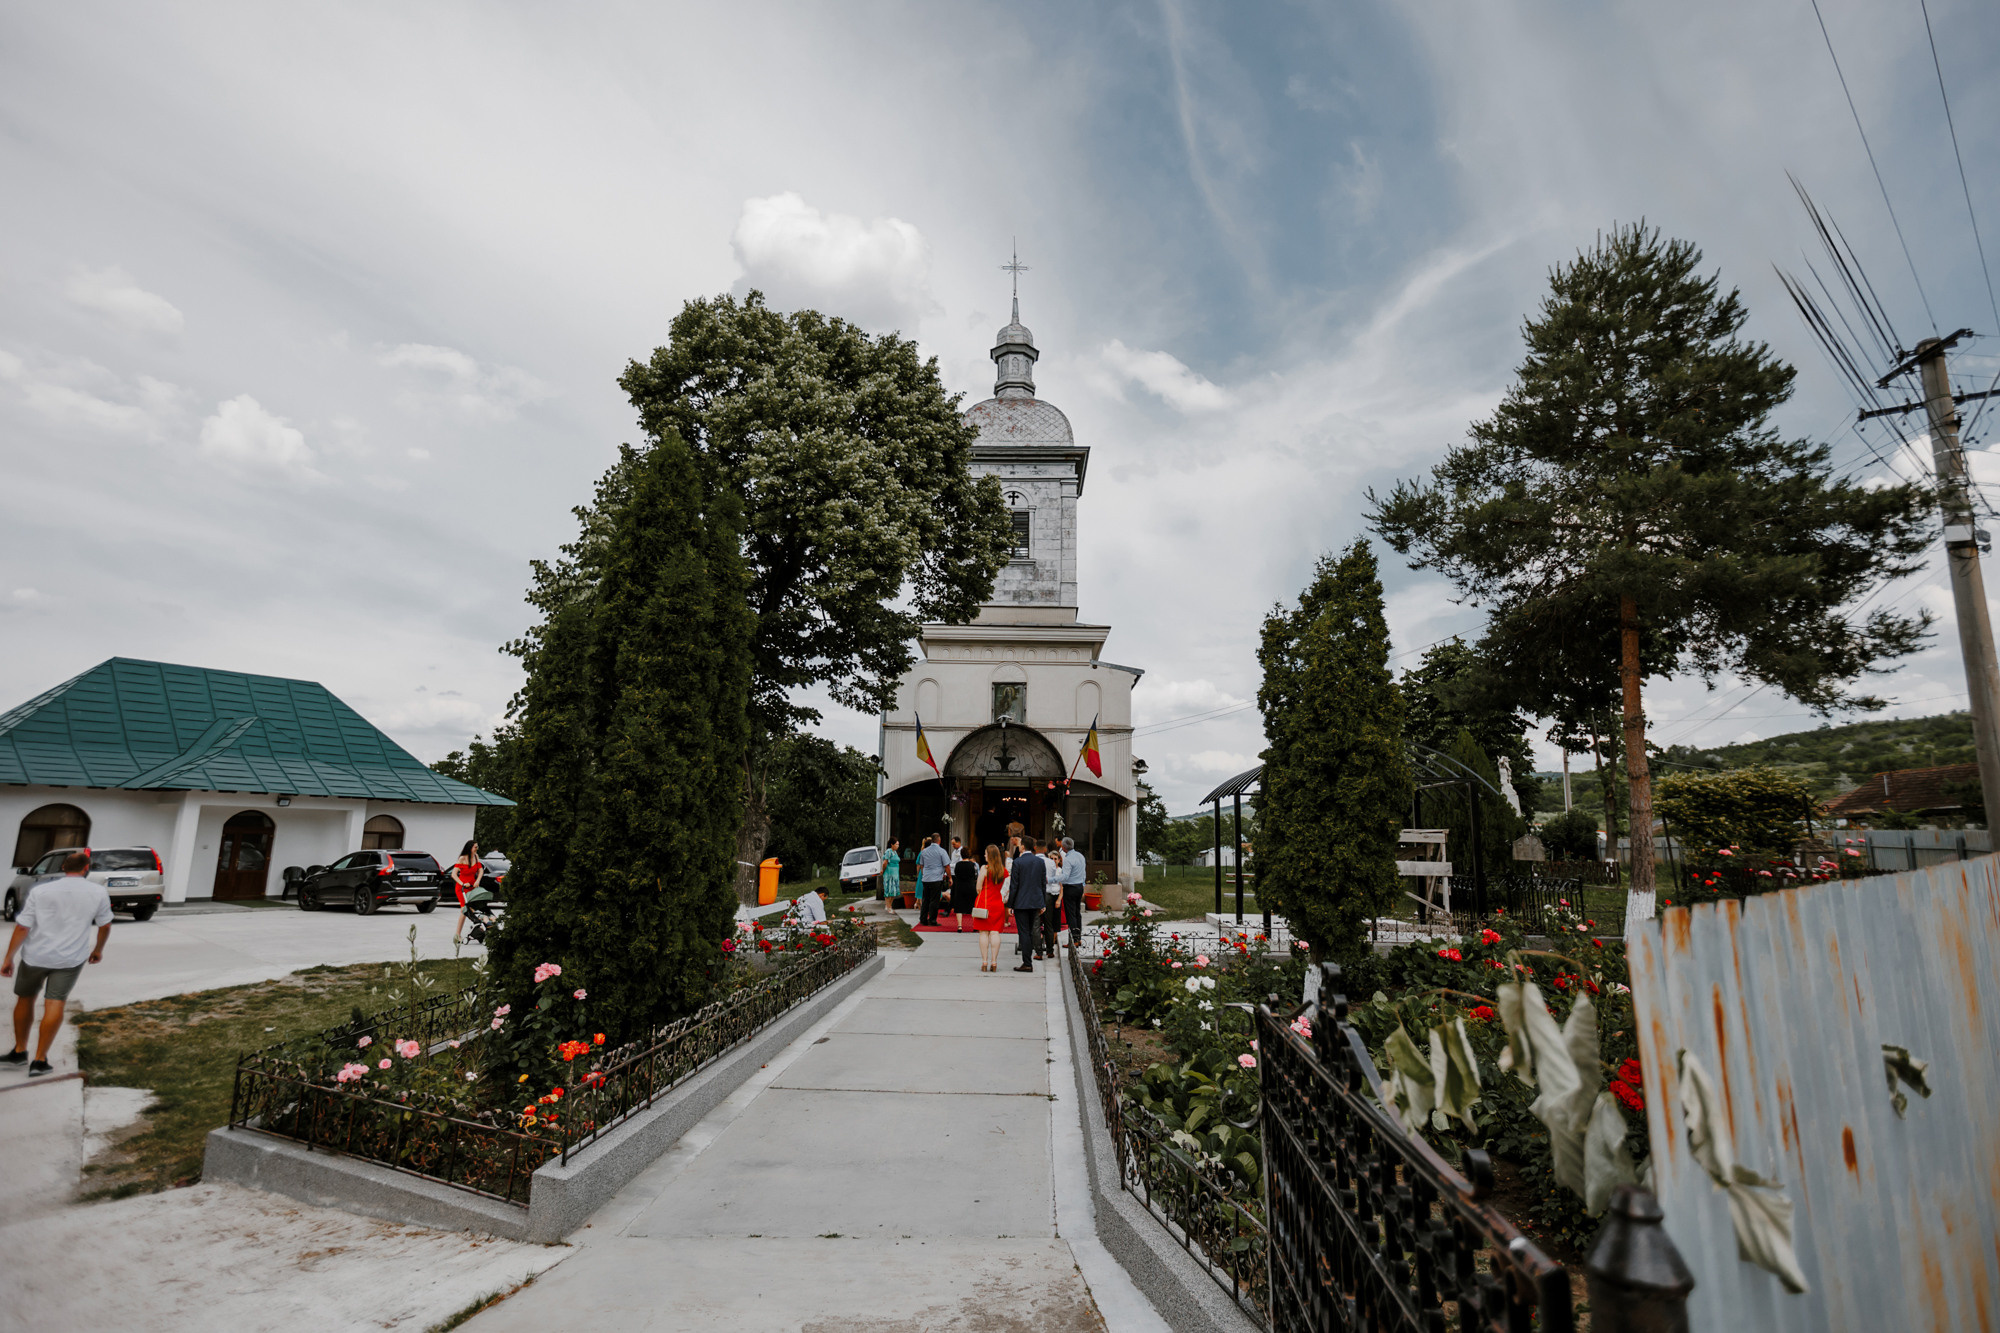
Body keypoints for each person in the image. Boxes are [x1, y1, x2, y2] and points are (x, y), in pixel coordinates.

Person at [2, 851, 112, 1076]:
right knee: (55, 1004)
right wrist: (98, 950)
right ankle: (40, 1061)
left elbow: (23, 927)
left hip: (35, 956)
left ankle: (19, 1052)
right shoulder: (98, 892)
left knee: (25, 999)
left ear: (63, 867)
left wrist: (8, 957)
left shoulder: (41, 891)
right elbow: (105, 925)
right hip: (69, 959)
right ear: (86, 868)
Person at [1008, 838, 1049, 973]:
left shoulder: (1018, 862)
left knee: (1024, 932)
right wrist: (1042, 902)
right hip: (1036, 900)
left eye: (1020, 845)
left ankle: (1027, 962)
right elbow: (1043, 883)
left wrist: (1010, 904)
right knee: (1031, 931)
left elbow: (1014, 885)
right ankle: (1028, 961)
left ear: (1023, 847)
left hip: (1021, 902)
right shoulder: (1040, 862)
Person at [973, 845, 1009, 971]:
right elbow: (1006, 886)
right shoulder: (1002, 870)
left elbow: (978, 887)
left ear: (990, 855)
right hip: (997, 903)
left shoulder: (984, 868)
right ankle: (994, 962)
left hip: (985, 902)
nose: (984, 856)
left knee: (983, 932)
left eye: (985, 854)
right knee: (995, 932)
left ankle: (984, 962)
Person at [1058, 836, 1089, 948]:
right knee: (1077, 913)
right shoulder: (1080, 856)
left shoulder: (1068, 859)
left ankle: (1074, 939)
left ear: (1064, 847)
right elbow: (1084, 873)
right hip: (1079, 886)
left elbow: (1065, 876)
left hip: (1070, 887)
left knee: (1071, 914)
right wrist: (1083, 885)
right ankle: (1078, 937)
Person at [450, 840, 482, 945]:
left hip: (472, 886)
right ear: (470, 848)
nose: (476, 849)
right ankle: (457, 934)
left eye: (477, 847)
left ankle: (477, 928)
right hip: (462, 887)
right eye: (475, 847)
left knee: (472, 909)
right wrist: (462, 883)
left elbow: (480, 870)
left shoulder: (476, 857)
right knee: (464, 910)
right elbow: (454, 874)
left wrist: (478, 880)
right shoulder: (462, 858)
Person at [917, 833, 951, 926]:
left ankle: (923, 919)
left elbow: (922, 865)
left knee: (925, 899)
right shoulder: (942, 851)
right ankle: (932, 920)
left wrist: (924, 875)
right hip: (936, 878)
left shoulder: (924, 851)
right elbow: (947, 865)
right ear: (939, 841)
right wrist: (950, 877)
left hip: (926, 878)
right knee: (934, 900)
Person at [1040, 842, 1064, 957]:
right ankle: (1046, 945)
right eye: (1051, 858)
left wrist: (1059, 899)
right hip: (1047, 894)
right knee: (1046, 921)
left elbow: (1061, 887)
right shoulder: (1046, 867)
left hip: (1054, 896)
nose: (1053, 860)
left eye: (1055, 859)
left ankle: (1050, 945)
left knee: (1052, 922)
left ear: (1059, 860)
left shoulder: (1059, 871)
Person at [949, 845, 980, 932]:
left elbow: (956, 874)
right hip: (970, 886)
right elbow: (976, 876)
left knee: (959, 906)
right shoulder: (973, 865)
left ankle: (959, 926)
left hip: (960, 886)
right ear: (969, 855)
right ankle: (975, 925)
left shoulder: (958, 865)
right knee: (973, 905)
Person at [880, 839, 901, 907]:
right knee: (888, 890)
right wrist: (883, 870)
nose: (898, 846)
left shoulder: (895, 852)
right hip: (889, 874)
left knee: (894, 892)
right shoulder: (889, 851)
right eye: (896, 844)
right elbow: (885, 862)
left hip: (895, 874)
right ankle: (888, 906)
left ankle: (889, 906)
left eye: (898, 844)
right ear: (892, 844)